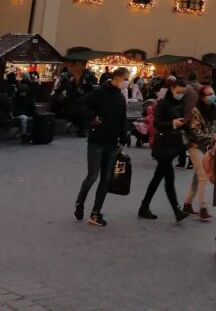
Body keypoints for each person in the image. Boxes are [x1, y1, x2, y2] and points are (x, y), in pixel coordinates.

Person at [74, 67, 129, 227]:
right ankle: (80, 202)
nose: (127, 82)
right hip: (96, 141)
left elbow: (122, 119)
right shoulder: (99, 92)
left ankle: (96, 212)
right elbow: (79, 104)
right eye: (125, 79)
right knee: (92, 176)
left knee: (106, 179)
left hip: (112, 143)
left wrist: (123, 139)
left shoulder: (120, 97)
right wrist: (92, 117)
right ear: (117, 77)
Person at [138, 80, 190, 223]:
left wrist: (184, 123)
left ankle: (144, 206)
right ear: (172, 89)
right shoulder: (164, 103)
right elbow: (157, 123)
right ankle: (177, 211)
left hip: (172, 145)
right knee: (169, 180)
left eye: (182, 92)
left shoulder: (180, 103)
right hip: (163, 146)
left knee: (157, 179)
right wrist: (173, 123)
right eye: (178, 91)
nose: (180, 94)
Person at [183, 84, 216, 221]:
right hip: (195, 146)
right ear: (202, 97)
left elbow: (215, 127)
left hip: (206, 148)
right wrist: (211, 137)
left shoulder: (214, 109)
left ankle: (187, 204)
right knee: (203, 176)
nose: (212, 96)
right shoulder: (196, 111)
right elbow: (195, 132)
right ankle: (203, 208)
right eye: (208, 94)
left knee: (197, 178)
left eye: (212, 93)